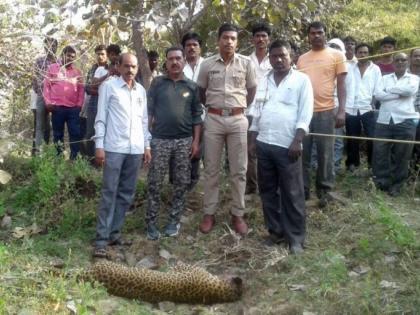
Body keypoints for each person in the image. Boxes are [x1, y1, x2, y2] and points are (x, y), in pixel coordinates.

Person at [249, 40, 313, 254]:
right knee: (267, 191)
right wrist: (252, 140)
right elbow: (256, 112)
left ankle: (295, 238)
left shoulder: (301, 80)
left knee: (292, 193)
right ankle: (275, 232)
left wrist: (298, 140)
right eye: (274, 56)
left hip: (288, 146)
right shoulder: (264, 81)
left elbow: (305, 113)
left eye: (282, 56)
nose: (278, 60)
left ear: (291, 56)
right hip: (264, 143)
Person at [197, 23, 257, 236]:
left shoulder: (247, 63)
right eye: (225, 38)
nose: (229, 41)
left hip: (238, 119)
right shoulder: (206, 64)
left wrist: (236, 108)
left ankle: (237, 214)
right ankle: (209, 213)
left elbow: (251, 91)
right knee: (211, 169)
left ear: (237, 41)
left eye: (233, 38)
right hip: (213, 119)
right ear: (218, 40)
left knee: (239, 170)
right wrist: (215, 109)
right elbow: (201, 92)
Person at [93, 53, 151, 258]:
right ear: (118, 66)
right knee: (109, 192)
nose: (130, 70)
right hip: (114, 148)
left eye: (134, 67)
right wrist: (99, 145)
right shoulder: (108, 87)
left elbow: (144, 122)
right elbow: (100, 118)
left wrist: (147, 145)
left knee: (126, 194)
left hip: (135, 149)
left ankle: (114, 235)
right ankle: (100, 240)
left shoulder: (141, 91)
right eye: (126, 66)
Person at [145, 47, 203, 240]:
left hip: (184, 141)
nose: (175, 62)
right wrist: (147, 139)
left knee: (181, 182)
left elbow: (197, 116)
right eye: (171, 59)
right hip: (160, 139)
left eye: (178, 58)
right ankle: (151, 223)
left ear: (184, 61)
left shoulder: (192, 86)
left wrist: (195, 142)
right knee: (154, 182)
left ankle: (173, 221)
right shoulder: (157, 83)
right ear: (166, 62)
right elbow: (149, 112)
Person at [297, 21, 347, 206]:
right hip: (304, 112)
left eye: (320, 32)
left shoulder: (337, 55)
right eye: (312, 33)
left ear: (325, 34)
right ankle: (303, 190)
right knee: (303, 153)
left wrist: (341, 110)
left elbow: (342, 85)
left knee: (326, 153)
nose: (316, 36)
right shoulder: (302, 59)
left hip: (327, 111)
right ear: (308, 36)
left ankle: (325, 191)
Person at [373, 53, 419, 196]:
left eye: (403, 60)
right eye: (397, 60)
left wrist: (389, 90)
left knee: (402, 155)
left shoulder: (414, 78)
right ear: (393, 62)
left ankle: (397, 185)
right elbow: (378, 95)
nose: (400, 62)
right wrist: (399, 94)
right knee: (380, 152)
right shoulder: (384, 78)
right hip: (384, 120)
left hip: (405, 121)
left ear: (408, 62)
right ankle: (382, 182)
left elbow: (409, 91)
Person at [43, 45, 84, 159]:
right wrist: (48, 102)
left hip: (73, 109)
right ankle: (59, 157)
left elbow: (81, 89)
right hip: (57, 108)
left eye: (73, 57)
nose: (71, 58)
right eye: (68, 56)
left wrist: (79, 105)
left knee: (75, 133)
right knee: (58, 134)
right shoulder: (52, 68)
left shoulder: (77, 72)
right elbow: (46, 86)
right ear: (62, 55)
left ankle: (74, 158)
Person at [345, 43, 382, 171]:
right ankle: (352, 164)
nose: (363, 55)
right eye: (360, 52)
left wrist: (373, 103)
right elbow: (344, 86)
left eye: (365, 52)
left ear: (369, 54)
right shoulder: (349, 67)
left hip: (368, 108)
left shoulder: (375, 69)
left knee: (371, 137)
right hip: (351, 108)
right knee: (352, 137)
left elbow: (377, 89)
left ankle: (372, 165)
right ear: (356, 54)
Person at [246, 22, 272, 195]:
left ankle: (267, 185)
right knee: (250, 149)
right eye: (257, 36)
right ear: (253, 39)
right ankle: (251, 186)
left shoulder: (276, 58)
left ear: (268, 39)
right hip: (249, 110)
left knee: (268, 148)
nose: (261, 39)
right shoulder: (246, 61)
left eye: (264, 36)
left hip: (271, 110)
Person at [181, 32, 205, 190]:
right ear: (184, 48)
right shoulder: (179, 65)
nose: (191, 48)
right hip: (184, 116)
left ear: (200, 48)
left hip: (207, 115)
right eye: (188, 45)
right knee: (186, 149)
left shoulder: (208, 65)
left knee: (202, 149)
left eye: (195, 45)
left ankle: (197, 181)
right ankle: (184, 182)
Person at [82, 44, 109, 160]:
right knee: (90, 131)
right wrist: (102, 91)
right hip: (93, 102)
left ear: (107, 55)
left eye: (102, 54)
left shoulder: (113, 68)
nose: (100, 56)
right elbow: (88, 88)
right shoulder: (93, 69)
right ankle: (90, 159)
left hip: (108, 103)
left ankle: (103, 159)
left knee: (106, 130)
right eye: (98, 54)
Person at [32, 37, 57, 152]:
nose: (50, 48)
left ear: (56, 47)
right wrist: (40, 92)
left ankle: (49, 152)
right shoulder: (39, 61)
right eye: (48, 46)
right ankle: (38, 153)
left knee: (54, 126)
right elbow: (35, 78)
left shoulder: (60, 62)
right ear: (44, 47)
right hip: (42, 96)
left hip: (57, 98)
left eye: (53, 46)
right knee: (40, 125)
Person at [408, 48, 420, 165]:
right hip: (405, 114)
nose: (418, 58)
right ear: (410, 58)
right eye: (415, 56)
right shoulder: (402, 73)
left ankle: (416, 171)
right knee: (406, 144)